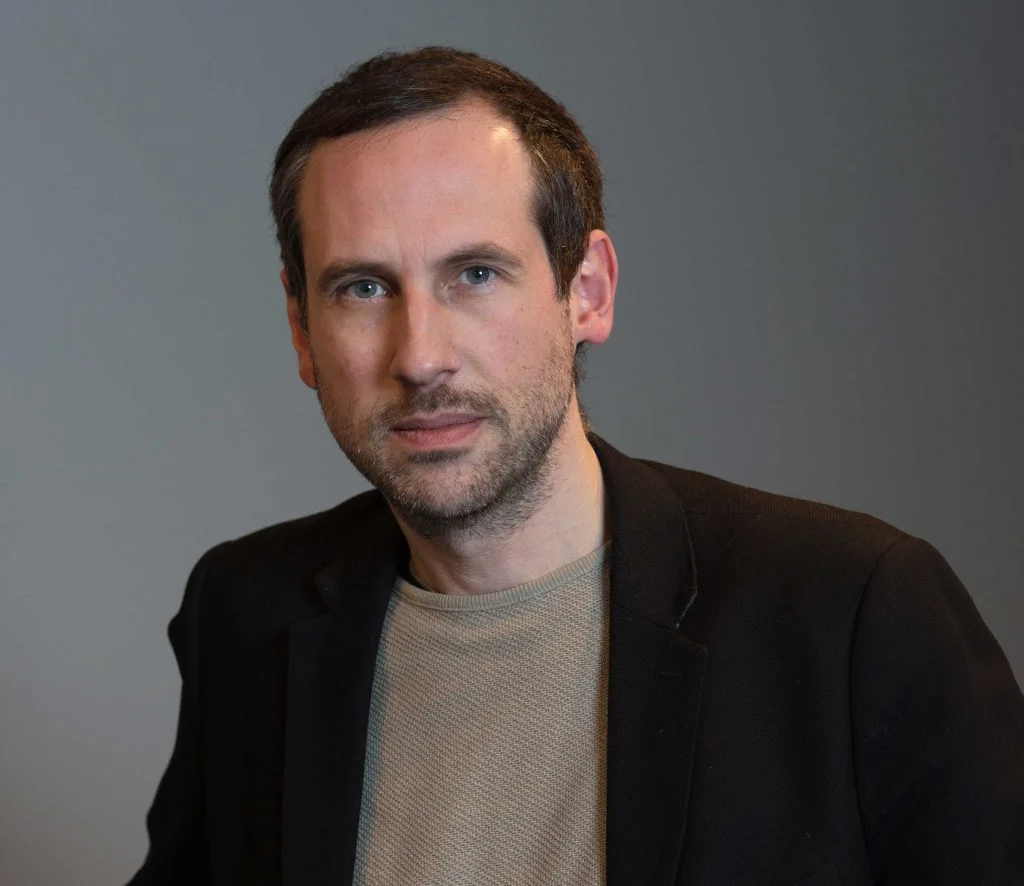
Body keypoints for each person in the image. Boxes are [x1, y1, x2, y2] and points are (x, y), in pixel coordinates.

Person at [128, 47, 1024, 886]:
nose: (421, 356)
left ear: (587, 291)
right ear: (301, 331)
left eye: (475, 274)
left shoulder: (853, 614)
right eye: (363, 288)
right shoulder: (244, 618)